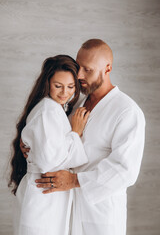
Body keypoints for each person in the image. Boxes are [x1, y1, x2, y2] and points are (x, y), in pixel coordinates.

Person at [21, 39, 146, 235]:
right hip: (65, 207)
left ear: (107, 68)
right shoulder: (74, 101)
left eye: (87, 70)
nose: (79, 75)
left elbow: (125, 170)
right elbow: (52, 135)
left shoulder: (127, 111)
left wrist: (74, 181)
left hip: (100, 213)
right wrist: (31, 141)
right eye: (79, 67)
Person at [8, 55, 90, 235]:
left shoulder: (57, 108)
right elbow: (49, 161)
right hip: (42, 194)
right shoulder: (48, 110)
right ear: (47, 83)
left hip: (47, 197)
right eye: (58, 86)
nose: (64, 93)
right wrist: (75, 133)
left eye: (70, 87)